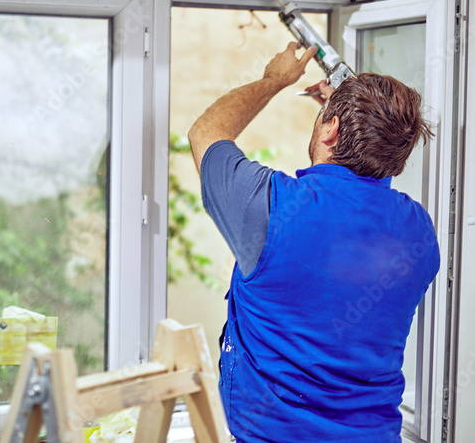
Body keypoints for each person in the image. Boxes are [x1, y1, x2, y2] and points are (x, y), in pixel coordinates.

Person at [188, 42, 440, 443]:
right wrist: (354, 123)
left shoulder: (271, 208)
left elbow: (207, 132)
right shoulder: (419, 232)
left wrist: (275, 81)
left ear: (331, 129)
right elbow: (356, 200)